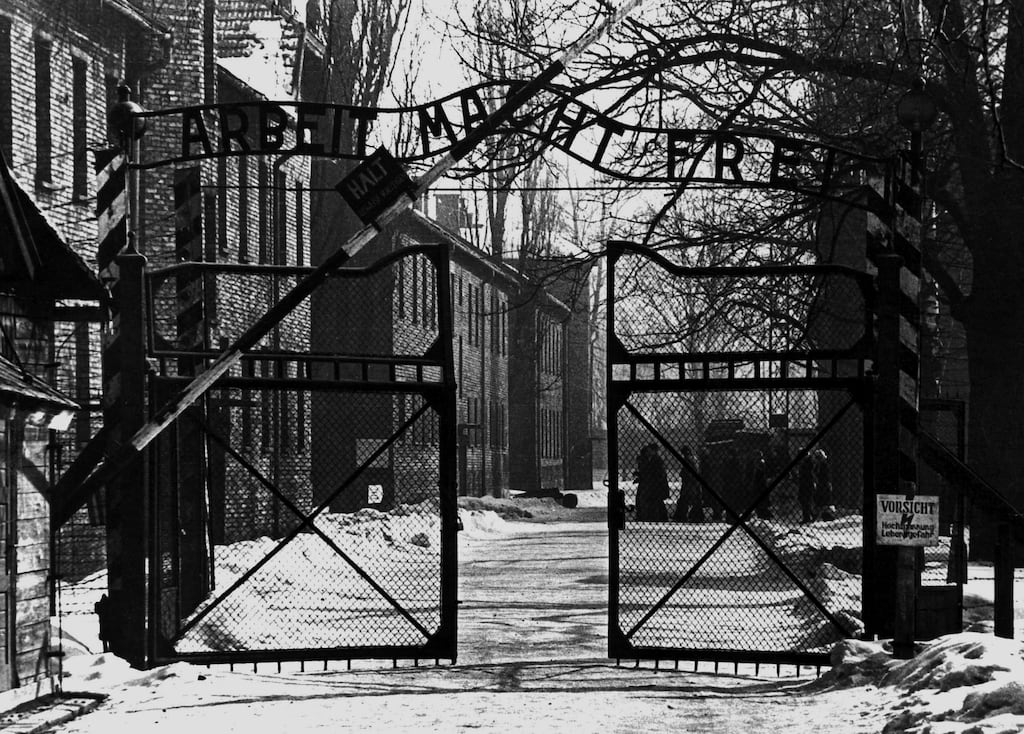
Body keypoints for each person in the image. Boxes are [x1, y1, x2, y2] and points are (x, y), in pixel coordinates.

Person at [635, 443, 669, 521]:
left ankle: (655, 517)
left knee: (654, 500)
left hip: (655, 484)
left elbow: (656, 473)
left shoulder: (656, 460)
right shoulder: (653, 459)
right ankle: (659, 517)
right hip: (654, 483)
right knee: (656, 501)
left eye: (649, 450)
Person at [673, 445, 704, 522]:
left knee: (684, 499)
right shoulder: (695, 459)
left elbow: (686, 472)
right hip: (694, 482)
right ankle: (696, 515)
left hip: (689, 483)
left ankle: (681, 516)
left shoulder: (688, 460)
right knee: (695, 499)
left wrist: (682, 474)